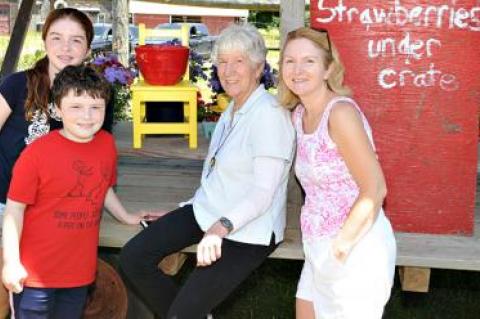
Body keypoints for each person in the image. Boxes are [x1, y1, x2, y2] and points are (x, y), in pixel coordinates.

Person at [120, 24, 295, 319]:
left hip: (248, 230)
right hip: (209, 211)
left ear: (258, 68)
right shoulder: (232, 110)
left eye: (239, 61)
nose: (228, 70)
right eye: (223, 62)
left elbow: (263, 193)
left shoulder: (269, 115)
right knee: (133, 258)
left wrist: (219, 228)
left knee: (182, 314)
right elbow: (217, 176)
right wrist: (185, 210)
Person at [0, 65, 154, 319]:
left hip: (79, 273)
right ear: (57, 109)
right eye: (76, 107)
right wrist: (11, 263)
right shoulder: (36, 154)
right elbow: (14, 210)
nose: (87, 116)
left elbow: (101, 185)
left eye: (96, 107)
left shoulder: (106, 144)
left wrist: (126, 216)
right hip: (34, 276)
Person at [278, 27, 396, 319]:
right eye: (289, 61)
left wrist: (339, 250)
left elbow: (375, 189)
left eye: (309, 61)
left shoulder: (341, 113)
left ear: (328, 68)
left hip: (354, 249)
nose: (297, 69)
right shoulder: (299, 116)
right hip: (317, 249)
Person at [0, 8, 113, 216]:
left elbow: (98, 160)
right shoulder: (16, 85)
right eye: (56, 38)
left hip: (56, 207)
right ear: (44, 43)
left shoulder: (97, 95)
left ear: (88, 48)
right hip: (6, 202)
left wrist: (123, 214)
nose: (65, 48)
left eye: (76, 40)